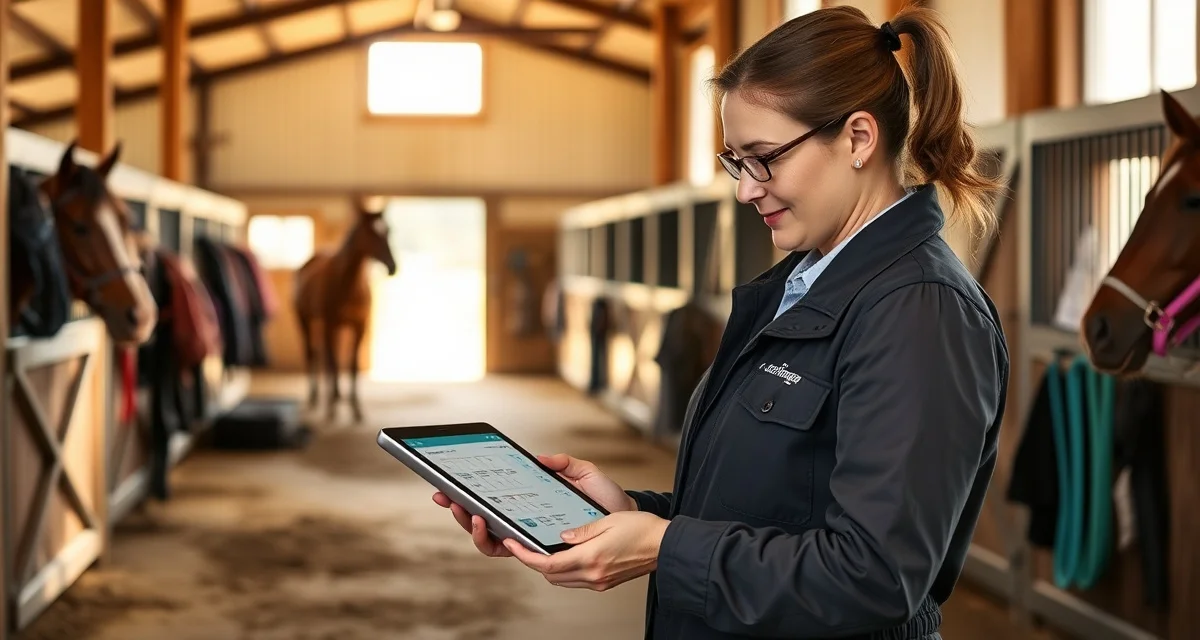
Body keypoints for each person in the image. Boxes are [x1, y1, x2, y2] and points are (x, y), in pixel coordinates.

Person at [433, 5, 1010, 639]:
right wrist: (627, 513)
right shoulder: (798, 287)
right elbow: (770, 509)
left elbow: (872, 575)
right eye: (736, 161)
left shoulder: (918, 311)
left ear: (858, 139)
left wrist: (661, 547)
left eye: (765, 157)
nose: (745, 189)